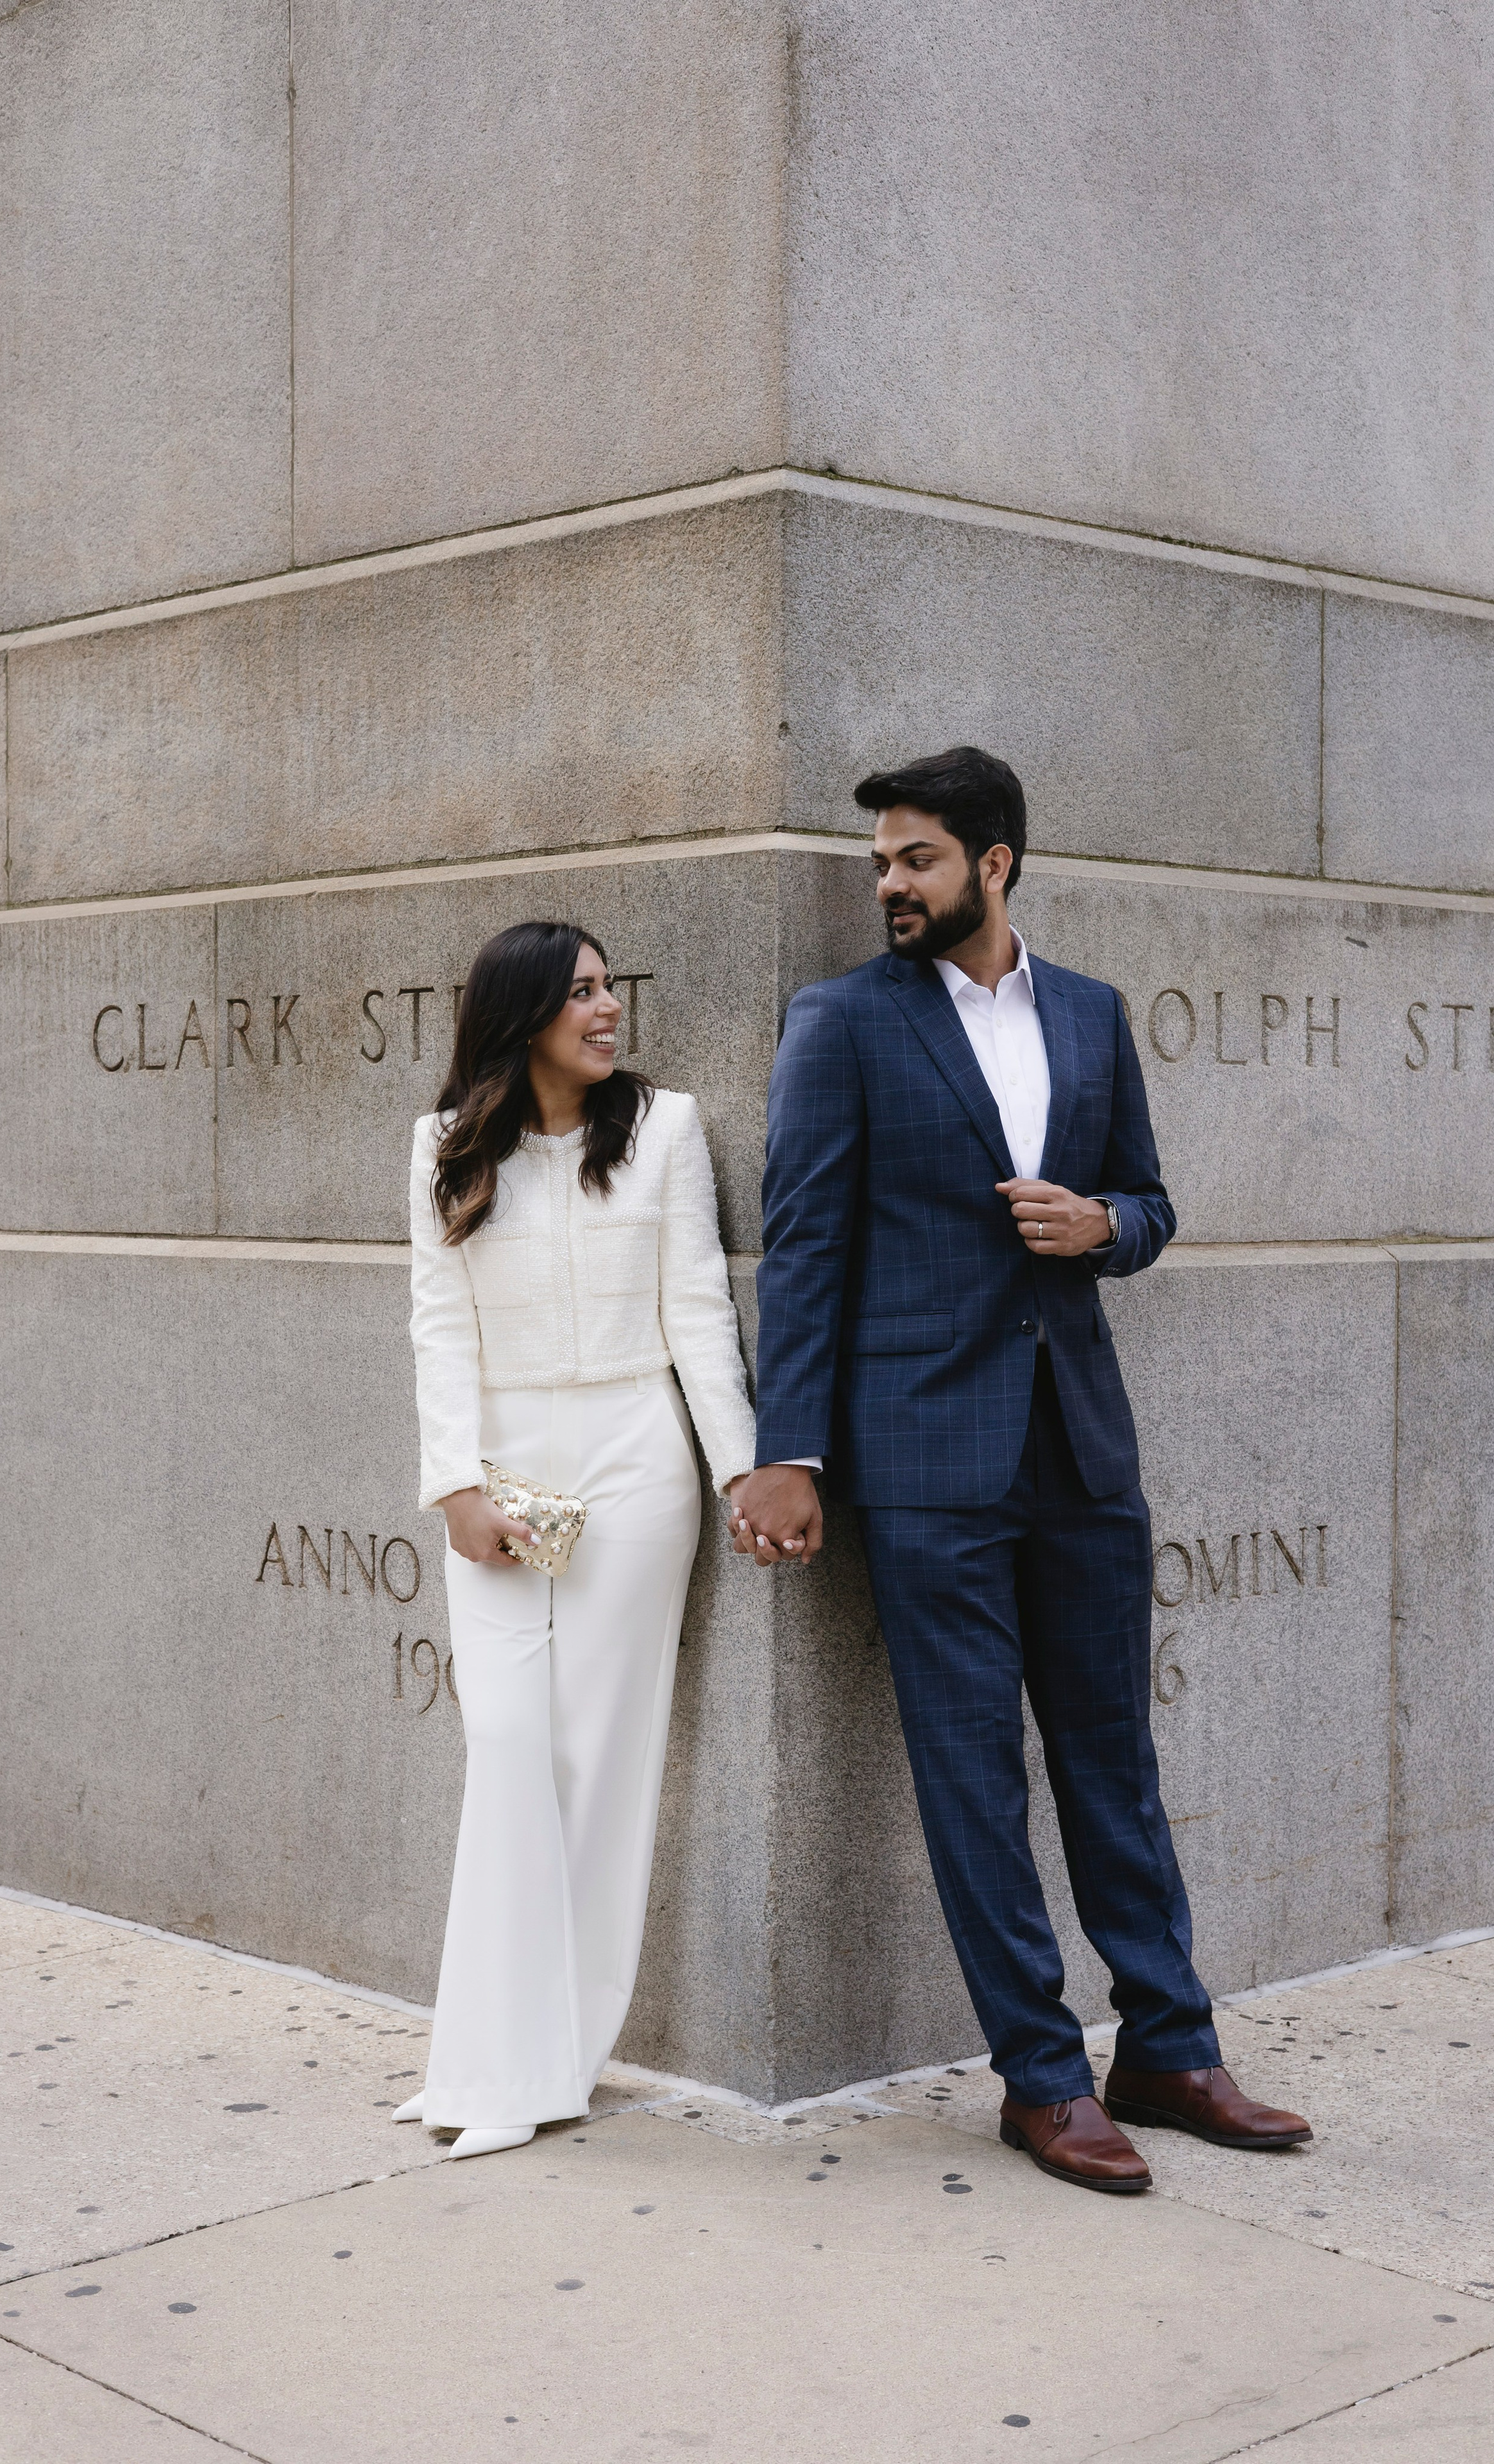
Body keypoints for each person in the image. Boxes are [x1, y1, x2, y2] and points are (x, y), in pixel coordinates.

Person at [729, 748, 1310, 2194]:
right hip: (922, 1459)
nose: (888, 885)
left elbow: (1154, 1201)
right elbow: (801, 1248)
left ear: (994, 864)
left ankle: (1168, 2048)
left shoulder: (1095, 1016)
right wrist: (785, 1453)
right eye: (880, 863)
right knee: (974, 1774)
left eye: (914, 859)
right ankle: (1040, 2079)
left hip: (1079, 1452)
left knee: (1114, 1753)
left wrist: (1101, 1225)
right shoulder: (842, 1021)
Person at [399, 920, 754, 2157]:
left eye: (610, 989)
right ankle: (483, 2057)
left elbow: (700, 1309)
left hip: (634, 1456)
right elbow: (438, 1325)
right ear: (524, 1015)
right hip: (499, 1464)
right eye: (583, 993)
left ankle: (553, 2063)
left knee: (604, 1764)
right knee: (505, 1744)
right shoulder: (444, 1148)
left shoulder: (663, 1129)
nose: (609, 1010)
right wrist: (453, 1486)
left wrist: (740, 1469)